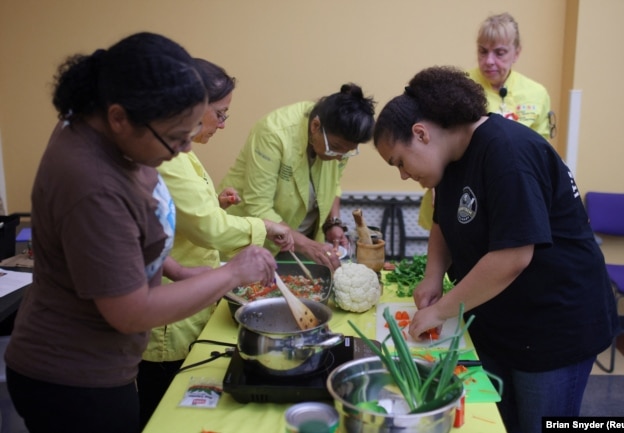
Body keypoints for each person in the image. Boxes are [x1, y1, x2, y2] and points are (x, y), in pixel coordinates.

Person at [4, 32, 277, 433]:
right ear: (119, 117)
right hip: (74, 379)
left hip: (88, 366)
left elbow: (120, 241)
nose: (184, 150)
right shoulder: (92, 184)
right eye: (175, 138)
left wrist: (178, 271)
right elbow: (130, 312)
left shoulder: (100, 129)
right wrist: (231, 274)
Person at [372, 66, 619, 433]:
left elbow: (513, 256)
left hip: (556, 323)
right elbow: (443, 218)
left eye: (400, 163)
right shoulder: (450, 159)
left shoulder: (507, 152)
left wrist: (440, 310)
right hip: (502, 320)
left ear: (420, 134)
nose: (403, 175)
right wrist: (433, 275)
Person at [137, 59, 293, 427]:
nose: (222, 125)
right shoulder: (170, 159)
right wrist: (264, 227)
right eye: (219, 115)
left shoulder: (182, 154)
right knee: (166, 414)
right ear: (191, 106)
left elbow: (185, 215)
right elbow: (208, 229)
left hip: (190, 291)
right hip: (168, 325)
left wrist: (215, 204)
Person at [217, 84, 376, 270]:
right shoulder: (273, 132)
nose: (340, 157)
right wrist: (308, 246)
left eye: (348, 152)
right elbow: (258, 206)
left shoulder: (340, 140)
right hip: (250, 240)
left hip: (299, 240)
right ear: (316, 126)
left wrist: (333, 223)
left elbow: (333, 183)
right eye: (336, 147)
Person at [419, 12, 553, 230]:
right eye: (482, 52)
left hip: (508, 196)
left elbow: (540, 153)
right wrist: (436, 183)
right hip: (458, 192)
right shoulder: (458, 86)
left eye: (500, 53)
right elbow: (434, 142)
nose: (489, 61)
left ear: (516, 53)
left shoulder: (537, 93)